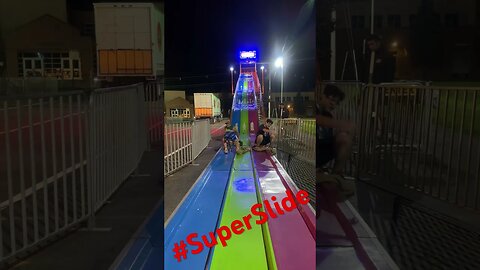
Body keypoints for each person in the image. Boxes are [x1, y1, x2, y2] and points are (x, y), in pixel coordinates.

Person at [316, 84, 355, 198]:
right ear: (323, 96)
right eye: (331, 100)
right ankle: (329, 179)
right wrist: (344, 124)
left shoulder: (328, 115)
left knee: (344, 137)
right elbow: (319, 120)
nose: (333, 104)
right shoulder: (316, 109)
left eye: (336, 102)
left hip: (322, 152)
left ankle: (335, 175)